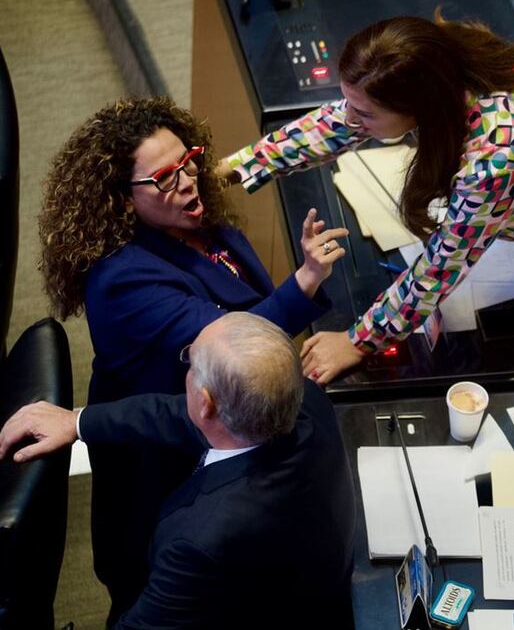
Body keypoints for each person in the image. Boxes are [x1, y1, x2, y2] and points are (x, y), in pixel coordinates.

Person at [222, 14, 514, 386]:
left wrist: (358, 341)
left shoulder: (496, 159)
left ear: (418, 109)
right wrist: (237, 167)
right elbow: (341, 122)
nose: (351, 118)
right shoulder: (433, 55)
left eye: (365, 112)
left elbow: (438, 270)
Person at [37, 97, 349, 623]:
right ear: (122, 198)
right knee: (158, 584)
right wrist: (305, 281)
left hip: (219, 428)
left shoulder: (204, 227)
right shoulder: (122, 280)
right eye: (163, 177)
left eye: (189, 161)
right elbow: (234, 346)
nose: (186, 180)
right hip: (162, 458)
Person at [0, 312, 356, 628]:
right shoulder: (305, 400)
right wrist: (77, 422)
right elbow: (178, 414)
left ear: (207, 403)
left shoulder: (199, 542)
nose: (187, 372)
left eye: (191, 365)